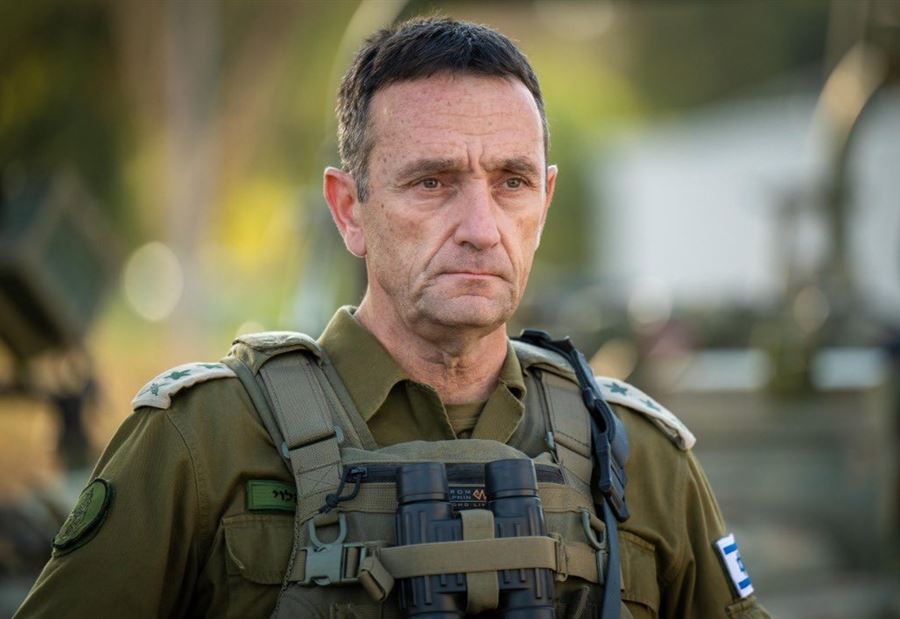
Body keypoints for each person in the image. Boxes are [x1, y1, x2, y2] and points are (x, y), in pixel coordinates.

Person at [15, 17, 770, 619]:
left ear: (544, 200)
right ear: (350, 209)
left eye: (510, 182)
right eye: (432, 182)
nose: (481, 227)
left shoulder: (639, 457)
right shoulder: (202, 441)